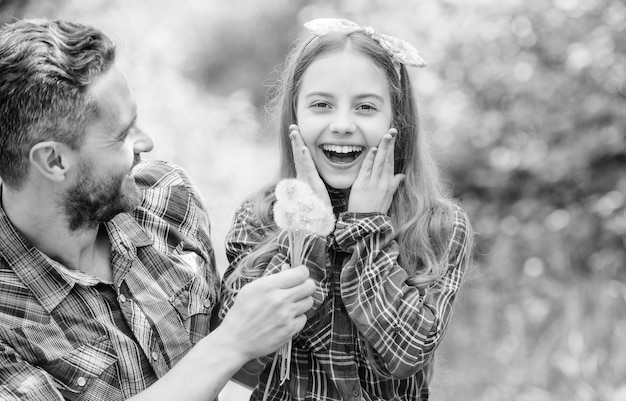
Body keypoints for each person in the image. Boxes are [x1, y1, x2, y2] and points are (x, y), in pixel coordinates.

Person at [0, 18, 316, 401]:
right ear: (54, 161)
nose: (145, 142)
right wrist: (232, 342)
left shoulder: (169, 199)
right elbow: (228, 346)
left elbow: (249, 368)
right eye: (121, 135)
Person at [220, 18, 475, 401]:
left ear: (397, 121)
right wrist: (307, 229)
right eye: (321, 105)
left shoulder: (437, 226)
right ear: (295, 117)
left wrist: (364, 229)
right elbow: (238, 349)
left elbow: (408, 351)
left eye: (366, 107)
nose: (342, 125)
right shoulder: (259, 216)